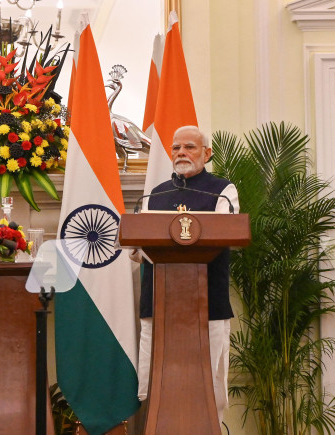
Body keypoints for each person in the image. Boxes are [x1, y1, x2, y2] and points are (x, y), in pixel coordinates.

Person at [133, 125, 239, 423]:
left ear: (207, 153)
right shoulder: (155, 195)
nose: (181, 153)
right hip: (161, 303)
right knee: (161, 385)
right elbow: (142, 247)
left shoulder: (223, 190)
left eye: (189, 147)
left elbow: (224, 233)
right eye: (176, 147)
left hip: (208, 305)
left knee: (208, 388)